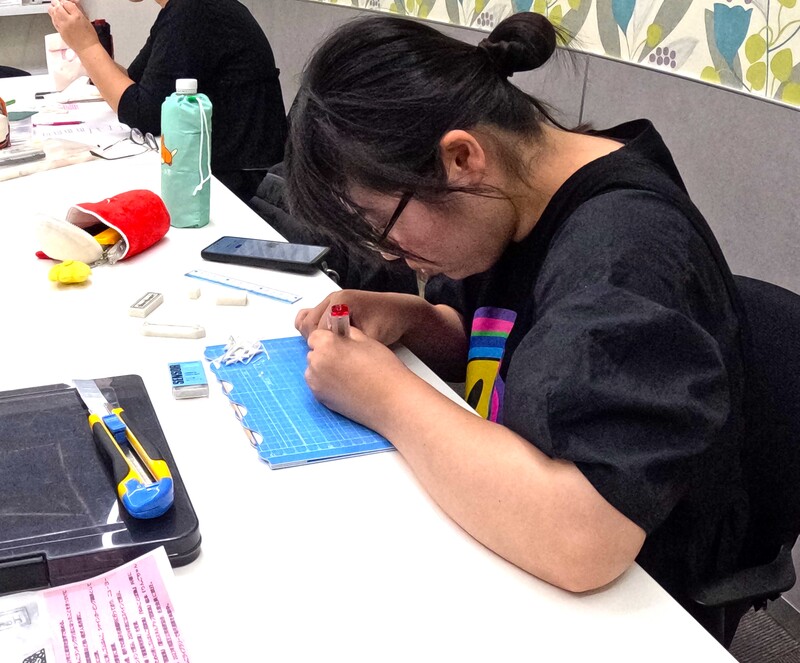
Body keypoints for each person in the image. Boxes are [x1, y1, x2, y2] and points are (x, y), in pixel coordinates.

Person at [286, 12, 753, 638]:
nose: (390, 256)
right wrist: (412, 317)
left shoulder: (621, 253)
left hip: (630, 605)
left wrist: (385, 396)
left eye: (382, 225)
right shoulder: (518, 194)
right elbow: (496, 340)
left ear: (460, 157)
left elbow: (585, 538)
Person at [48, 0, 287, 200]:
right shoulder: (182, 9)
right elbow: (132, 82)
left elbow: (144, 114)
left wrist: (87, 46)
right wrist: (83, 38)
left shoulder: (193, 10)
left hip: (238, 188)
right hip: (221, 173)